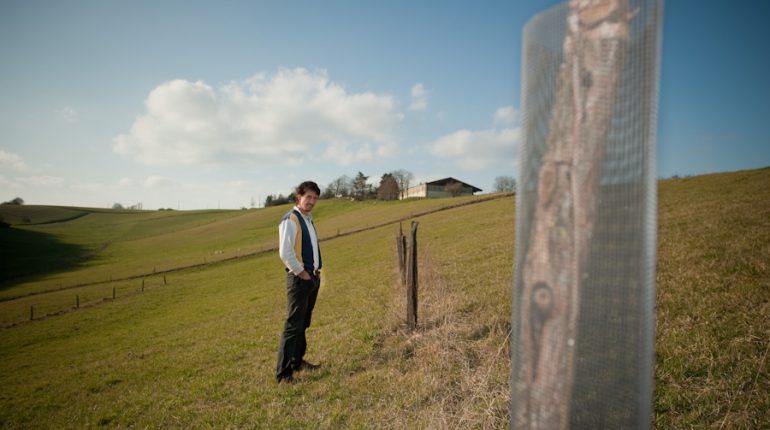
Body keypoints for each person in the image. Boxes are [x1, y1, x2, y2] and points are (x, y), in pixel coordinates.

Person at [275, 180, 323, 383]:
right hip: (299, 279)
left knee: (303, 322)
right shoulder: (291, 219)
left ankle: (297, 361)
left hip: (311, 277)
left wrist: (314, 274)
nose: (311, 201)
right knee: (293, 325)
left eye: (315, 198)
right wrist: (302, 273)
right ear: (299, 197)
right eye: (308, 197)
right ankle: (284, 374)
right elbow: (285, 253)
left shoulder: (308, 219)